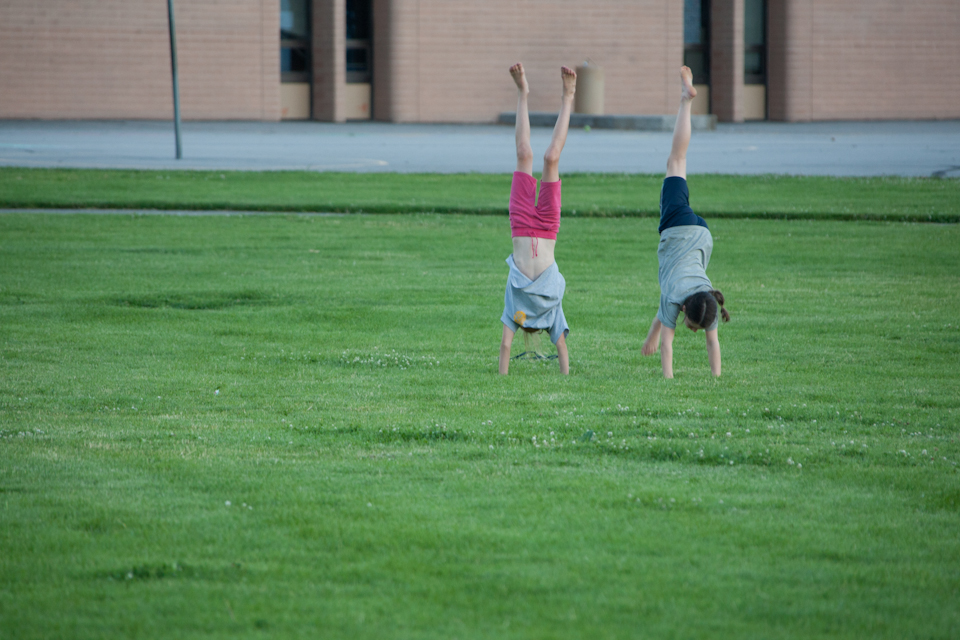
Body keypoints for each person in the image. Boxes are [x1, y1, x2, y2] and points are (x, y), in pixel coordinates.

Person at [641, 66, 730, 378]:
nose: (696, 331)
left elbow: (700, 337)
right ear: (687, 312)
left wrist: (651, 335)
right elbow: (671, 345)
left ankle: (685, 100)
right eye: (694, 327)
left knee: (677, 163)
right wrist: (668, 382)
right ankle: (686, 100)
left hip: (702, 236)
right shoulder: (683, 297)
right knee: (676, 161)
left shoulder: (708, 301)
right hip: (679, 230)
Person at [499, 63, 576, 375]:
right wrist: (565, 377)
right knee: (550, 158)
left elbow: (505, 347)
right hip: (546, 227)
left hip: (520, 224)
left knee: (524, 154)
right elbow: (562, 350)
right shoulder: (551, 313)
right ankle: (568, 96)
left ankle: (523, 92)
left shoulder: (513, 310)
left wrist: (501, 379)